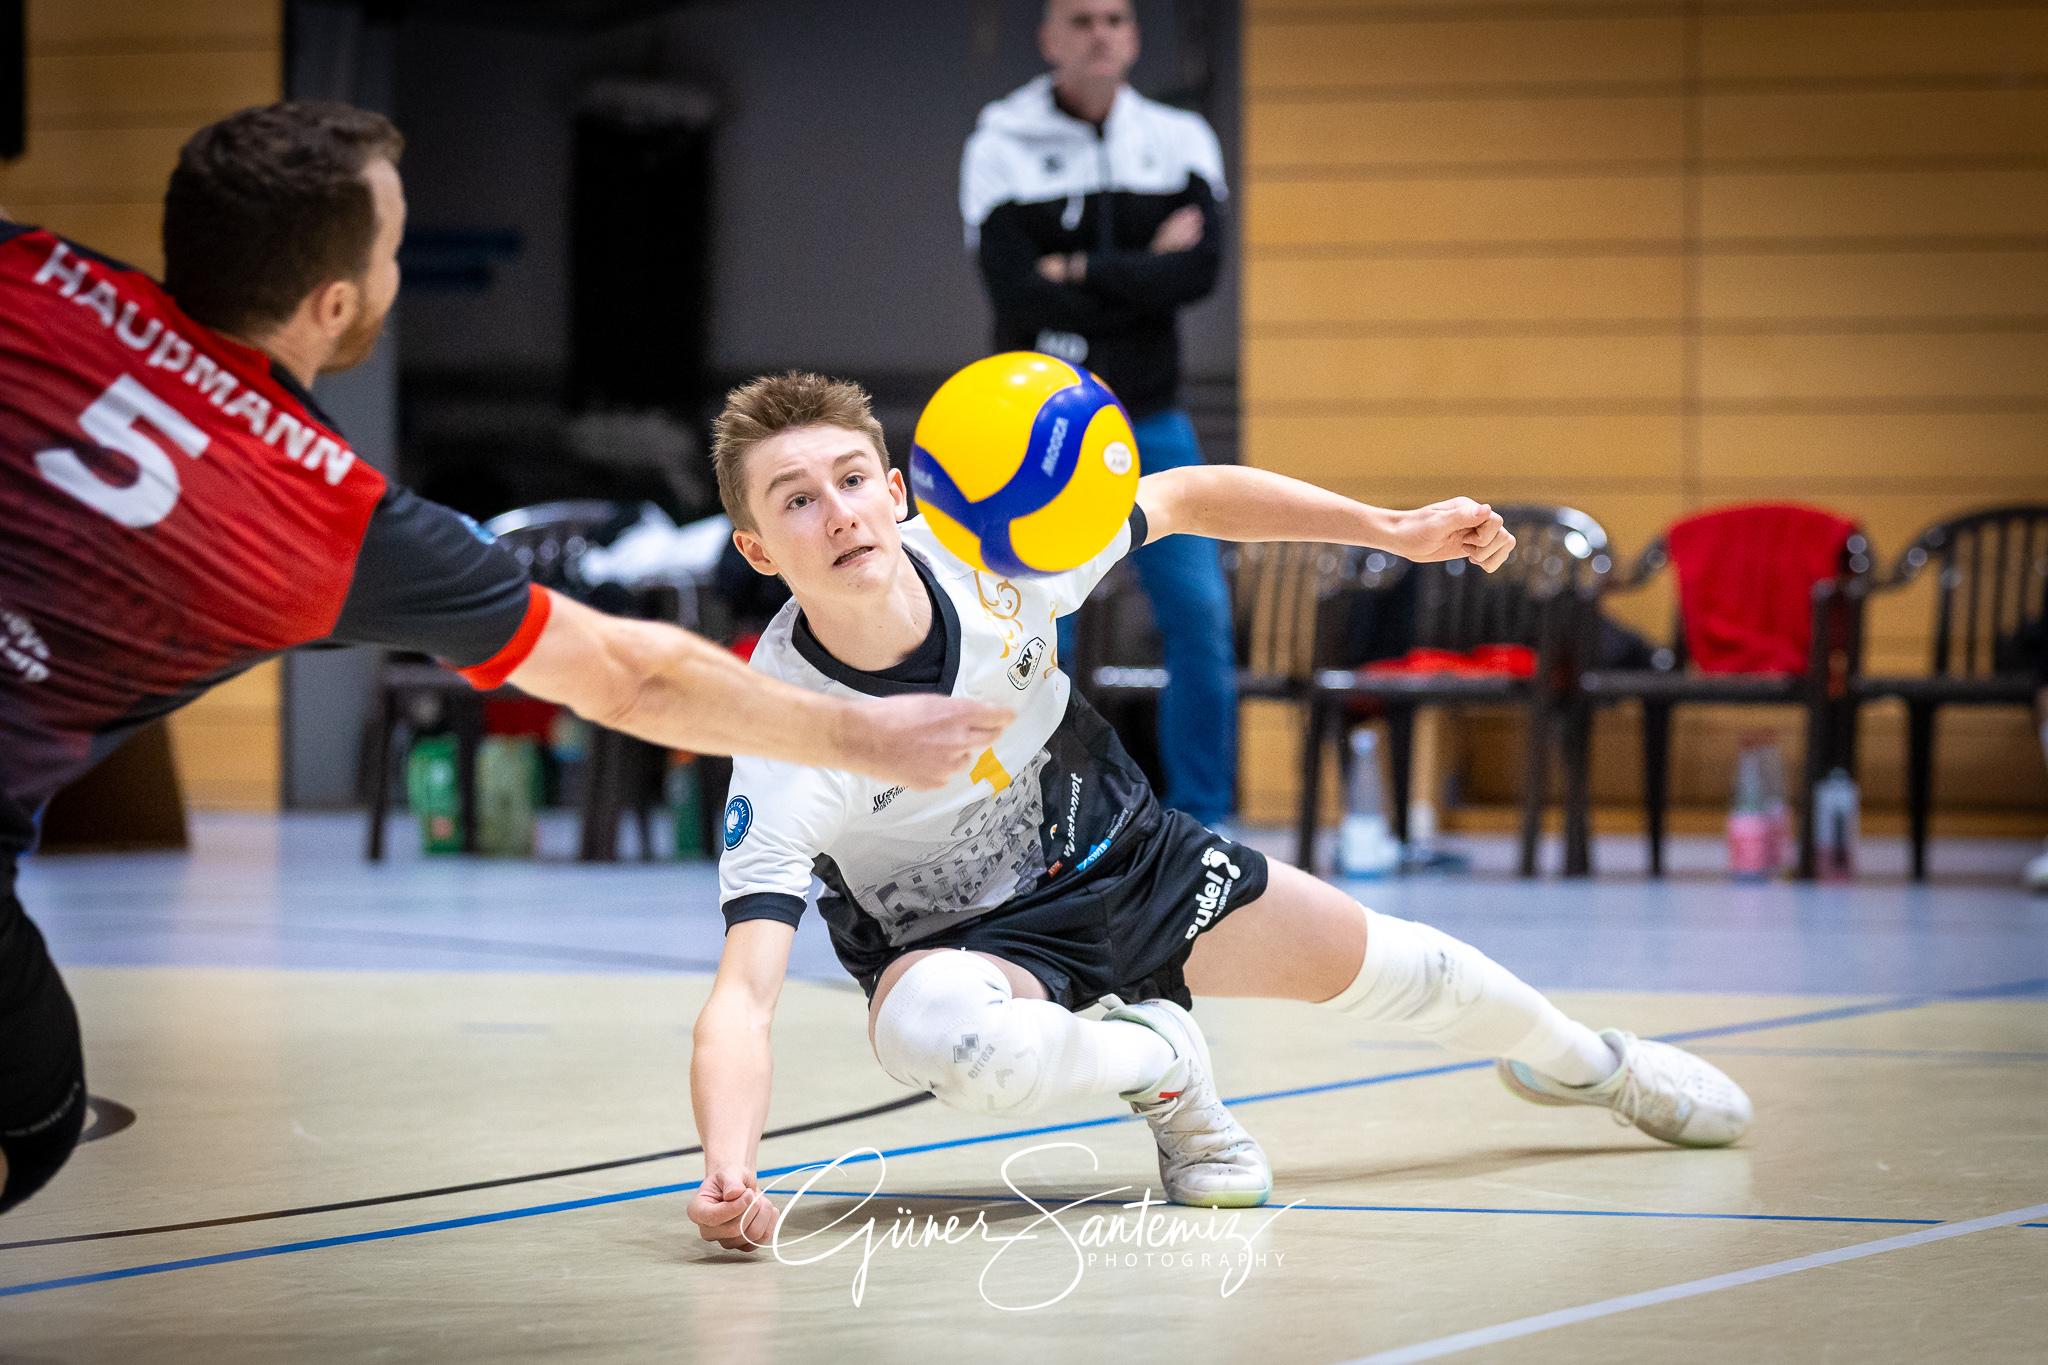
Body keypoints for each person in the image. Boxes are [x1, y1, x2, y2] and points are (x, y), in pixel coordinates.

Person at [0, 103, 1012, 1217]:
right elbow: (627, 675)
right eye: (389, 252)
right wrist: (862, 729)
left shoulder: (31, 267)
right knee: (36, 1116)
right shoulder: (333, 517)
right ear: (338, 302)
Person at [682, 373, 1754, 1249]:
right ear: (759, 549)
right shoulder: (785, 735)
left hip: (1130, 858)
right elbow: (744, 995)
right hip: (958, 945)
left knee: (1417, 974)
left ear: (902, 490)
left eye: (852, 478)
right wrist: (728, 1170)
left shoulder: (995, 555)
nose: (838, 512)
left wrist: (1388, 528)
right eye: (795, 499)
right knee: (945, 1042)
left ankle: (1594, 1067)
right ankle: (1165, 1071)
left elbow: (1183, 497)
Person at [960, 0, 1237, 830]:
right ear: (1049, 41)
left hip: (1150, 415)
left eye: (1115, 19)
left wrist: (1079, 270)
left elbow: (1197, 275)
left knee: (1201, 620)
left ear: (1135, 37)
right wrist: (1138, 271)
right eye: (1079, 20)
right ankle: (1048, 816)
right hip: (1040, 422)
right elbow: (1015, 288)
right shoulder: (1001, 141)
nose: (1099, 33)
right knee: (1041, 625)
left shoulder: (1180, 140)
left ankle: (1203, 818)